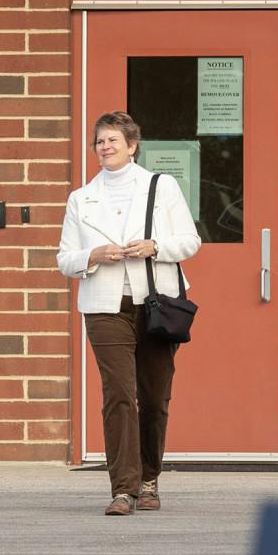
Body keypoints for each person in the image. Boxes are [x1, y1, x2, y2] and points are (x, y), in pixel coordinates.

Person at [56, 111, 201, 517]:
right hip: (104, 306)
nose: (105, 147)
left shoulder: (162, 186)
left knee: (154, 396)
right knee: (118, 393)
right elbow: (65, 259)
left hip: (155, 303)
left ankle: (150, 479)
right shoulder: (81, 198)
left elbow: (190, 241)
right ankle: (124, 488)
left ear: (132, 145)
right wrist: (92, 255)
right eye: (99, 141)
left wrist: (156, 247)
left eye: (113, 140)